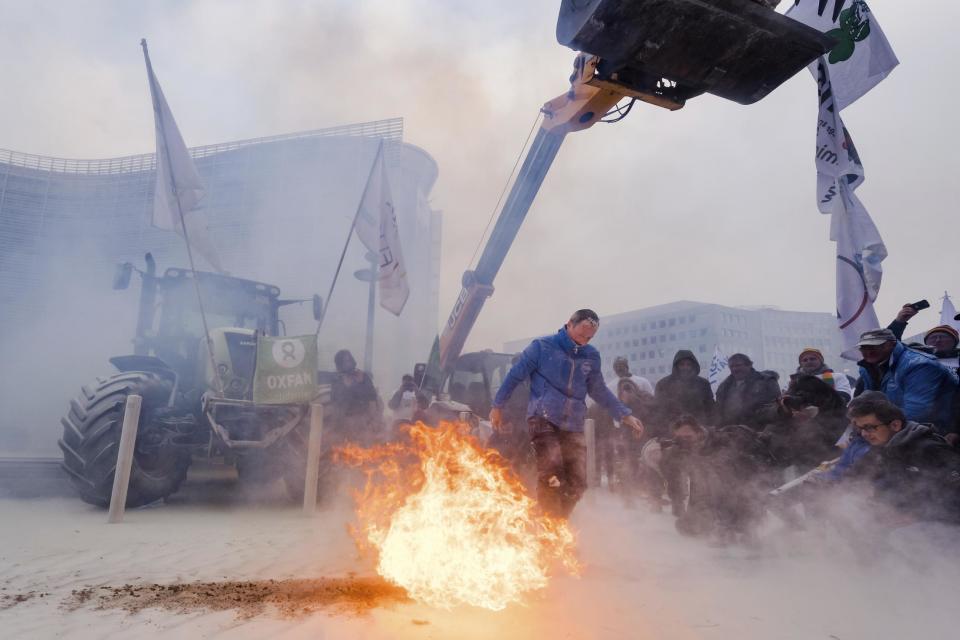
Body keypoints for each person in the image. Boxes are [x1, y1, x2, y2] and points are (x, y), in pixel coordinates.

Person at [490, 309, 645, 518]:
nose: (584, 340)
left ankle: (557, 524)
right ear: (569, 324)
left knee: (578, 483)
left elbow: (598, 389)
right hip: (542, 418)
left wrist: (624, 414)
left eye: (590, 337)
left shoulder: (590, 356)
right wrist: (497, 406)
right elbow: (514, 376)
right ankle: (550, 526)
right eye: (582, 333)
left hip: (573, 423)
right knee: (552, 474)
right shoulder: (542, 347)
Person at [846, 392, 960, 525]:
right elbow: (857, 477)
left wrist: (914, 515)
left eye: (870, 427)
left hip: (944, 525)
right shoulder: (883, 448)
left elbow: (953, 496)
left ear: (895, 425)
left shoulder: (929, 449)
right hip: (911, 517)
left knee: (899, 536)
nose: (864, 434)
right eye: (860, 429)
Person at [660, 415, 775, 543]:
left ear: (699, 432)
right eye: (680, 439)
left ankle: (736, 524)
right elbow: (674, 476)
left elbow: (729, 475)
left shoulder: (721, 441)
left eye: (688, 437)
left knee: (741, 530)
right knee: (685, 526)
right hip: (710, 500)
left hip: (744, 495)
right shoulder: (682, 449)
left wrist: (724, 521)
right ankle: (721, 523)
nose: (685, 442)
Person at [855, 328, 958, 434]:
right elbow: (868, 402)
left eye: (875, 346)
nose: (869, 351)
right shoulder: (867, 366)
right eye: (864, 347)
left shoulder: (919, 365)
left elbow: (918, 411)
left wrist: (880, 429)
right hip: (893, 426)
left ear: (892, 344)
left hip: (935, 430)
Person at [714, 353, 781, 430]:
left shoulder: (766, 381)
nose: (735, 369)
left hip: (758, 432)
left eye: (738, 365)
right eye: (731, 366)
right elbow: (718, 411)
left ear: (749, 365)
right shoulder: (724, 387)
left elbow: (776, 407)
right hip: (729, 433)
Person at [330, 349, 382, 444]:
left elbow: (372, 399)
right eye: (345, 361)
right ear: (339, 364)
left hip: (363, 420)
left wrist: (374, 420)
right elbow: (335, 402)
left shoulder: (363, 377)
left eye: (349, 360)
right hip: (345, 421)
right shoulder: (337, 380)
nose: (348, 363)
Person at [654, 349, 715, 430]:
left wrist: (711, 426)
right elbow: (659, 410)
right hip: (672, 429)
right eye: (682, 364)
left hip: (699, 428)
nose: (685, 367)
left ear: (693, 366)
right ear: (676, 366)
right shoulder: (663, 384)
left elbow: (710, 408)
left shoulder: (703, 383)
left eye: (688, 364)